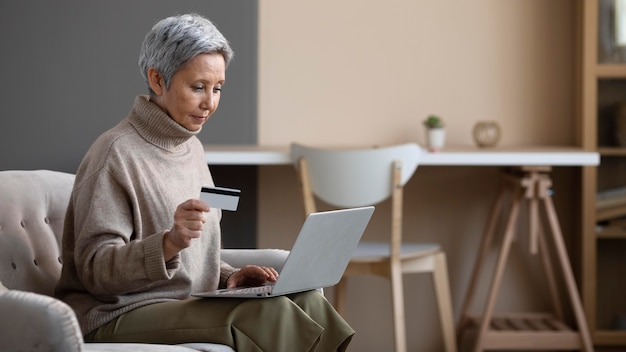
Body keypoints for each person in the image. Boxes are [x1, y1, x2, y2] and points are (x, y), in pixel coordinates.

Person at [54, 13, 354, 352]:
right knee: (264, 315)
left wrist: (228, 277)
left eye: (217, 88)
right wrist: (167, 243)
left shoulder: (191, 147)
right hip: (115, 314)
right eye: (197, 87)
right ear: (157, 80)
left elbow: (195, 249)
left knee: (305, 299)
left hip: (180, 304)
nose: (209, 103)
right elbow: (96, 271)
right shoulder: (114, 154)